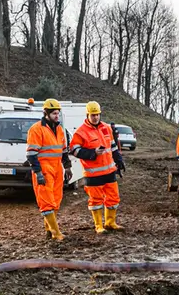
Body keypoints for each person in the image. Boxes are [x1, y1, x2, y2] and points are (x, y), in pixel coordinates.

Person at [70, 101, 126, 234]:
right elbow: (74, 150)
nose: (95, 117)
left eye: (97, 115)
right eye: (93, 115)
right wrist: (93, 153)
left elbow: (112, 146)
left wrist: (119, 160)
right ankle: (98, 225)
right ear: (87, 115)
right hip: (93, 174)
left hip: (109, 171)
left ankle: (110, 222)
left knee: (113, 198)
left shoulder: (106, 127)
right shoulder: (81, 132)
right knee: (96, 201)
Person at [26, 98, 73, 241]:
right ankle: (56, 233)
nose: (56, 116)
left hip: (57, 168)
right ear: (46, 113)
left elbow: (63, 150)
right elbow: (31, 154)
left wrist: (67, 167)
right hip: (44, 168)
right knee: (46, 201)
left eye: (58, 113)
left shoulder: (59, 129)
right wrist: (38, 172)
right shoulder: (36, 129)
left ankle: (49, 230)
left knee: (56, 200)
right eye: (54, 113)